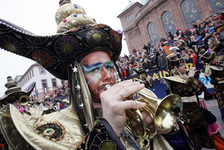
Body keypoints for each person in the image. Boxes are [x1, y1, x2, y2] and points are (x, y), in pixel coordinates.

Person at [0, 1, 193, 149]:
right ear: (78, 78)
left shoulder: (138, 107)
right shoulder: (54, 127)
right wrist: (109, 129)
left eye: (110, 67)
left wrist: (169, 131)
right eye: (94, 69)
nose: (107, 75)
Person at [164, 53, 216, 149]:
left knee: (207, 137)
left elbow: (199, 88)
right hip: (186, 116)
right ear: (175, 68)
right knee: (193, 142)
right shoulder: (173, 80)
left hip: (196, 112)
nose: (184, 67)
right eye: (181, 66)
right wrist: (191, 79)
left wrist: (192, 78)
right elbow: (189, 90)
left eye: (183, 64)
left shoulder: (185, 77)